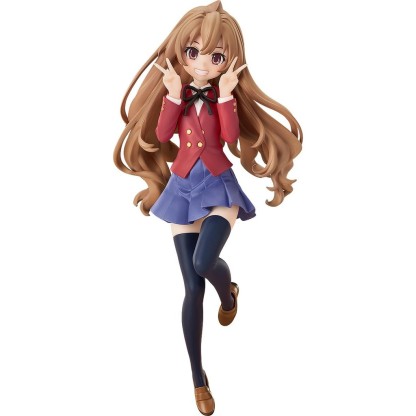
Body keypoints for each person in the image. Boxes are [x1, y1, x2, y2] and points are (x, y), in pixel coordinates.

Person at [114, 1, 302, 414]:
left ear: (228, 60)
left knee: (203, 262)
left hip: (218, 186)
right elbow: (163, 133)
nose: (201, 64)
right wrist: (171, 95)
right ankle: (198, 378)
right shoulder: (179, 98)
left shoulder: (221, 98)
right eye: (192, 52)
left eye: (214, 56)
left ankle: (229, 293)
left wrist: (228, 95)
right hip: (182, 190)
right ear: (181, 54)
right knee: (192, 288)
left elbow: (231, 137)